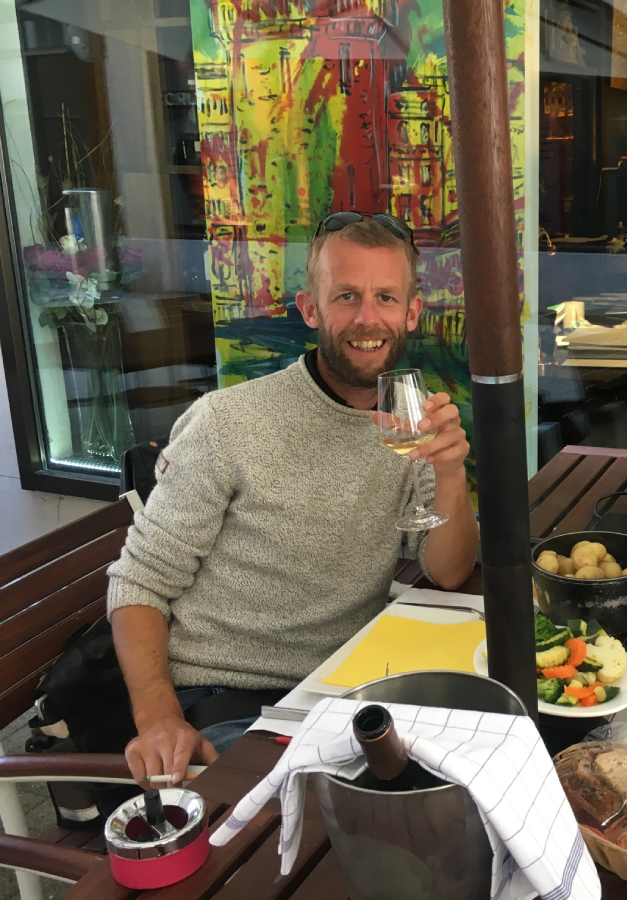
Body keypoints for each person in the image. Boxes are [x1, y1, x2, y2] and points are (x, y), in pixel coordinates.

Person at [107, 213, 479, 785]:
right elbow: (140, 582)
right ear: (310, 309)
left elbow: (450, 572)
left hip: (347, 688)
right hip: (231, 699)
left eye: (385, 297)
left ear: (411, 312)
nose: (366, 318)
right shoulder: (227, 423)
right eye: (346, 296)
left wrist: (451, 473)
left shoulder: (412, 418)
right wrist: (158, 718)